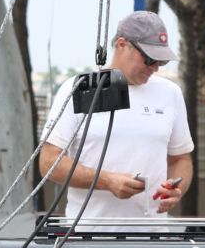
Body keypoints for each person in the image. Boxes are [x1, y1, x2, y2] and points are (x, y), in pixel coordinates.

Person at [37, 11, 195, 220]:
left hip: (153, 237)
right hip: (91, 235)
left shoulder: (170, 93)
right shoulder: (80, 89)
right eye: (149, 58)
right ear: (122, 44)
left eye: (162, 61)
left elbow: (181, 159)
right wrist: (106, 181)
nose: (155, 68)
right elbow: (48, 162)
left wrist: (176, 188)